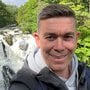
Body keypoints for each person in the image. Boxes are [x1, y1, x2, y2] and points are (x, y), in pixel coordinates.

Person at [9, 4, 90, 90]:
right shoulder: (21, 86)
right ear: (38, 40)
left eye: (67, 37)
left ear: (76, 39)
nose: (60, 47)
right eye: (51, 37)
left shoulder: (85, 72)